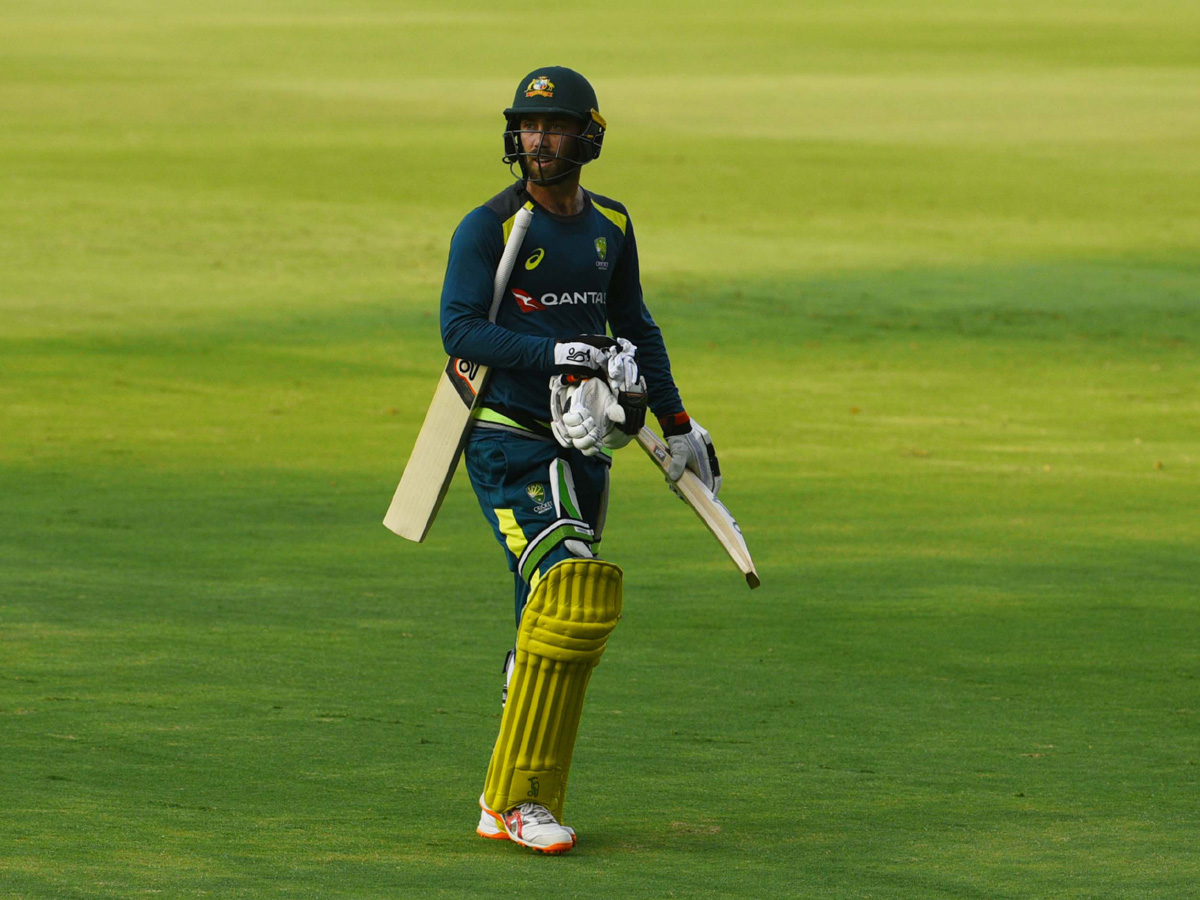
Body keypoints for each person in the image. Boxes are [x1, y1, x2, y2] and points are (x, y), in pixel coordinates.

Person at [439, 66, 721, 854]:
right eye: (528, 127)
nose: (539, 141)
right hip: (507, 435)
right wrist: (557, 350)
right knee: (568, 588)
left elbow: (634, 322)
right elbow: (460, 332)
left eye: (555, 126)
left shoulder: (611, 225)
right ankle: (523, 803)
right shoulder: (489, 228)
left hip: (590, 441)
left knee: (551, 614)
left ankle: (504, 796)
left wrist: (678, 423)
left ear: (588, 136)